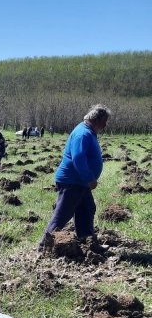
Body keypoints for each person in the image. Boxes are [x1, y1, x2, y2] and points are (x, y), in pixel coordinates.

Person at [39, 104, 110, 250]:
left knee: (87, 208)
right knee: (62, 215)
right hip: (72, 181)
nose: (105, 125)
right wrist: (89, 178)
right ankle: (43, 246)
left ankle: (88, 243)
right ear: (97, 119)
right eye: (105, 121)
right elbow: (78, 158)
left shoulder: (88, 132)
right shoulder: (82, 133)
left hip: (79, 183)